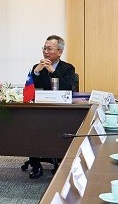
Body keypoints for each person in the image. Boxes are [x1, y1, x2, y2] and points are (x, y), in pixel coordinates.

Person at [23, 35, 77, 179]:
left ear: (59, 52)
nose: (45, 52)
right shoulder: (38, 67)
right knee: (30, 126)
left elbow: (69, 89)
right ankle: (35, 164)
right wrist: (37, 72)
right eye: (44, 48)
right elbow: (31, 89)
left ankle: (60, 158)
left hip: (60, 112)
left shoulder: (68, 68)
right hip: (39, 110)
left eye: (49, 49)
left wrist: (53, 71)